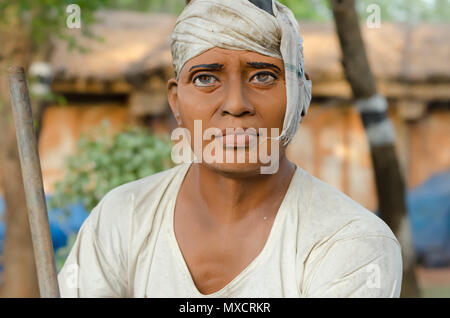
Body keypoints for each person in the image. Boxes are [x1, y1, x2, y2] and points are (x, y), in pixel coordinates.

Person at [58, 0, 402, 297]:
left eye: (263, 76)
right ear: (176, 102)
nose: (235, 105)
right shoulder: (122, 218)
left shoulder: (351, 242)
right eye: (206, 78)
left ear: (301, 96)